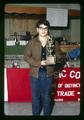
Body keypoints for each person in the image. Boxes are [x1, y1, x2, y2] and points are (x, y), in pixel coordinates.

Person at [23, 19, 63, 116]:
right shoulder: (32, 42)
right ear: (37, 29)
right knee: (35, 97)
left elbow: (59, 56)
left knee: (47, 98)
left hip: (48, 74)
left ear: (48, 29)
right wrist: (39, 63)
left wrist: (54, 58)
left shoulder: (53, 41)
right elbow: (26, 57)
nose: (43, 30)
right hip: (35, 74)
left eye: (45, 28)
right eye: (41, 28)